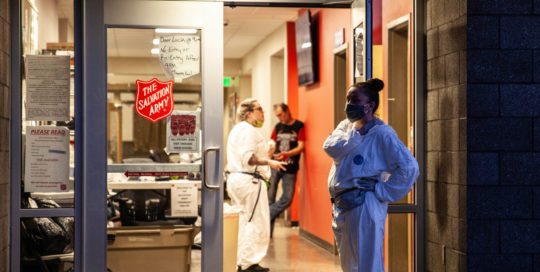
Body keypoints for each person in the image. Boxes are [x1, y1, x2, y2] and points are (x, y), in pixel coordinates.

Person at [323, 78, 419, 272]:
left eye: (355, 100)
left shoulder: (382, 134)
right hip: (343, 205)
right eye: (348, 99)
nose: (349, 105)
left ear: (370, 105)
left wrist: (380, 188)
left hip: (364, 206)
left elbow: (409, 168)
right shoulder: (347, 127)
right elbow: (330, 147)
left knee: (367, 264)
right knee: (349, 265)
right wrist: (356, 136)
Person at [226, 98, 287, 272]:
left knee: (245, 221)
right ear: (249, 113)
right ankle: (247, 264)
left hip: (239, 180)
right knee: (255, 222)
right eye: (259, 109)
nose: (263, 113)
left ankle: (243, 261)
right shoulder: (248, 130)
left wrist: (267, 152)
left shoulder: (238, 130)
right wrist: (270, 162)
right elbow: (249, 159)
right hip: (249, 181)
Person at [267, 103, 305, 232]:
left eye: (280, 114)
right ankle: (267, 233)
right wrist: (270, 152)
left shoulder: (299, 126)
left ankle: (264, 216)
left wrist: (287, 154)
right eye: (277, 115)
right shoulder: (278, 127)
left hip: (291, 167)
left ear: (287, 111)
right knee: (269, 198)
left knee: (287, 198)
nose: (279, 118)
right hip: (275, 166)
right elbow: (272, 143)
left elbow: (301, 146)